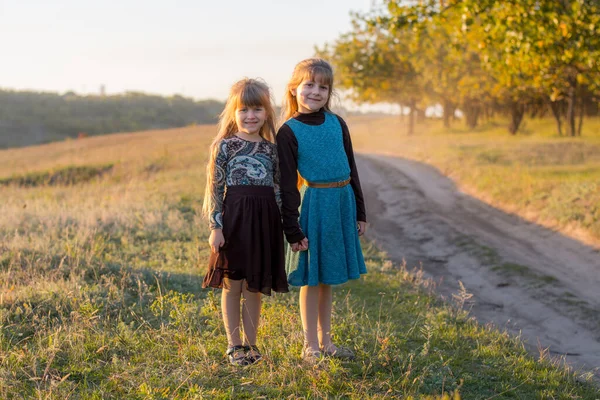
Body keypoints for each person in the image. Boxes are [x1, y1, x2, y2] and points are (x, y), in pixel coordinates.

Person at [276, 58, 367, 362]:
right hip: (314, 204)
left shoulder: (337, 123)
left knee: (327, 278)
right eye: (309, 85)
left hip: (342, 203)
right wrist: (292, 228)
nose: (315, 92)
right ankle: (309, 346)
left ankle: (327, 342)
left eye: (323, 87)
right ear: (294, 89)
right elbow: (288, 186)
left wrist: (360, 211)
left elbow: (351, 166)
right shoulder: (288, 131)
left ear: (329, 92)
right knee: (311, 277)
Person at [202, 78, 289, 366]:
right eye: (244, 110)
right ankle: (234, 345)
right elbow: (215, 189)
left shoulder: (272, 150)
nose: (250, 116)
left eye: (257, 110)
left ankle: (252, 345)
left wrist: (282, 226)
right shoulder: (224, 147)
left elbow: (278, 190)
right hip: (234, 220)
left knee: (254, 285)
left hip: (264, 223)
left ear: (267, 113)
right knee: (233, 284)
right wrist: (216, 227)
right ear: (233, 112)